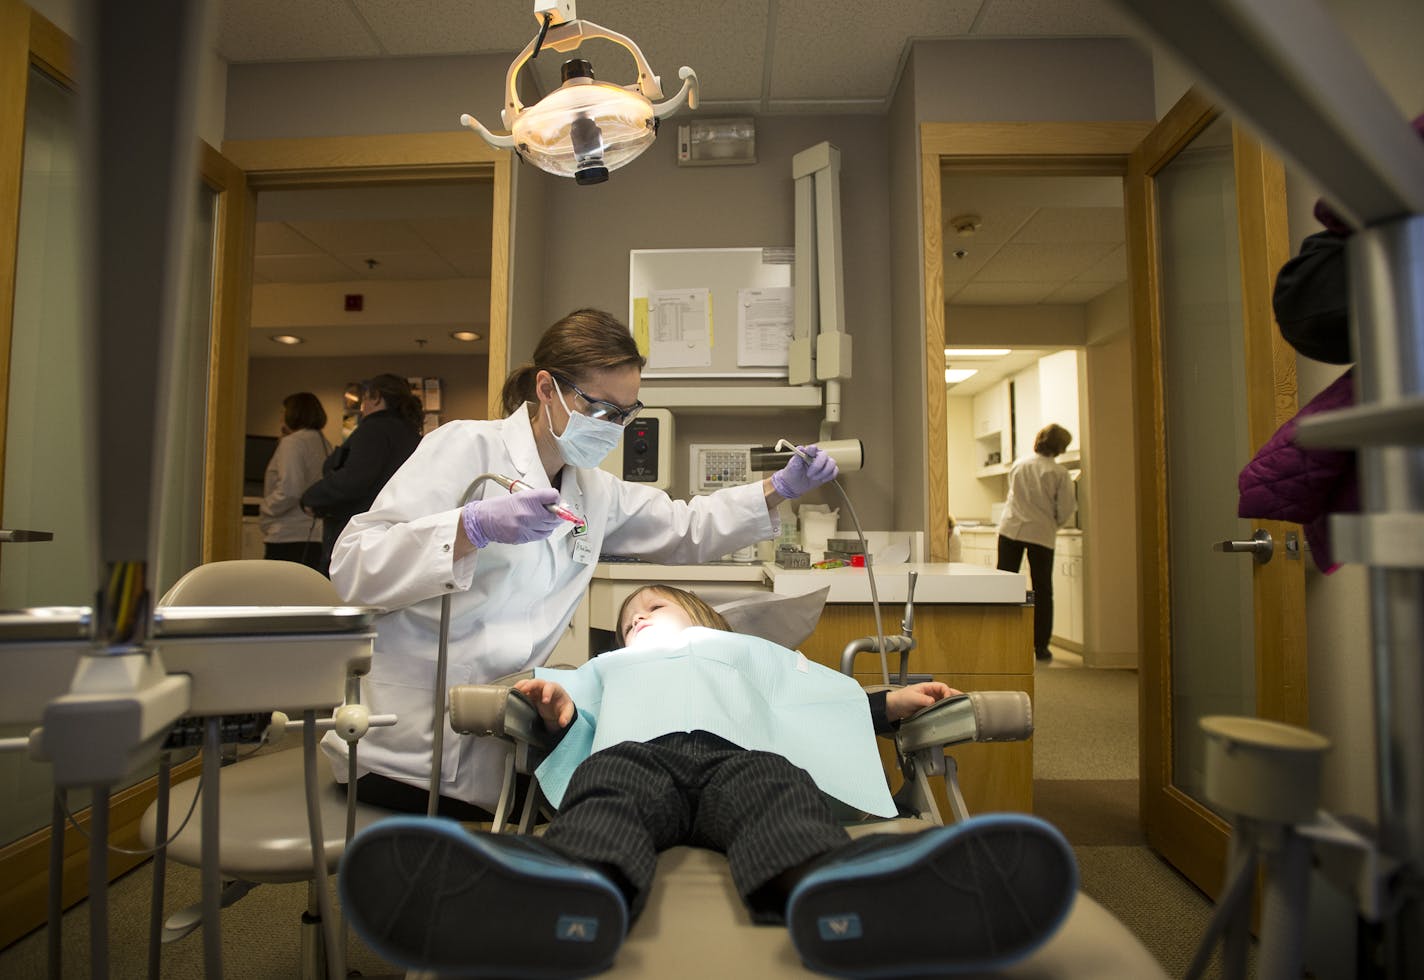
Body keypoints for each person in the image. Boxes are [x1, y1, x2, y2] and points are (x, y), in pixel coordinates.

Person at [339, 584, 1078, 978]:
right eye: (627, 624)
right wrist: (555, 703)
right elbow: (571, 708)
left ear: (700, 615)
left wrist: (889, 704)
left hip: (741, 757)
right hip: (636, 755)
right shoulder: (610, 665)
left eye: (651, 609)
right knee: (607, 801)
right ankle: (564, 887)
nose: (637, 626)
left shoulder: (748, 651)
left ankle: (837, 887)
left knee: (778, 799)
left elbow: (817, 700)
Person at [322, 309, 841, 820]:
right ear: (547, 389)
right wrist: (469, 528)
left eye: (625, 414)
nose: (613, 427)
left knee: (633, 787)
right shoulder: (464, 448)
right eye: (600, 409)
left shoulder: (592, 490)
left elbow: (684, 527)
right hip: (410, 747)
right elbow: (352, 569)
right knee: (613, 799)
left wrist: (778, 490)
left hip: (506, 732)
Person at [299, 373, 423, 575]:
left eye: (365, 398)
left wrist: (311, 499)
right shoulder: (412, 436)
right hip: (397, 536)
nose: (362, 406)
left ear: (376, 398)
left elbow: (353, 480)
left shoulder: (372, 430)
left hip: (356, 535)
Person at [996, 424, 1076, 663]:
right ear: (1061, 446)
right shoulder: (1059, 473)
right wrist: (1053, 523)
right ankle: (1040, 646)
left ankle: (1002, 638)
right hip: (1041, 533)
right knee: (1042, 590)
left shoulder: (1019, 465)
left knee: (1005, 586)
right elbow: (1066, 509)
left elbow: (1013, 495)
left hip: (1011, 529)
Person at [258, 392, 330, 570]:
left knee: (279, 593)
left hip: (287, 535)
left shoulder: (293, 443)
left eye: (283, 412)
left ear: (293, 413)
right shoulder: (322, 442)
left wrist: (266, 507)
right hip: (313, 537)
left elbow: (290, 490)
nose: (281, 417)